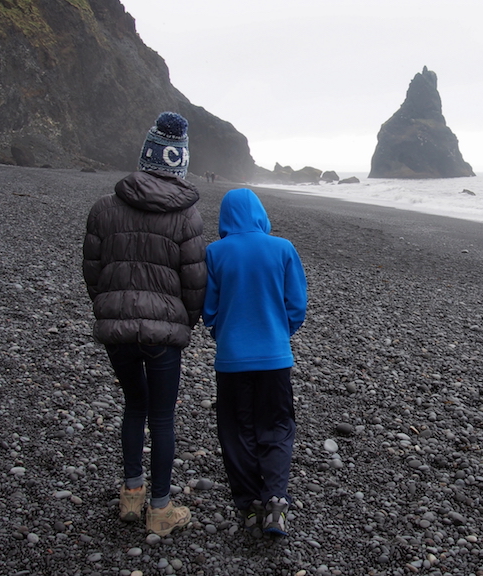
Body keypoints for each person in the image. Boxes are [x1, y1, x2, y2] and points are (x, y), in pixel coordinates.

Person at [82, 111, 206, 537]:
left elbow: (93, 271)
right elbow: (194, 282)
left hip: (117, 329)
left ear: (145, 157)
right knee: (163, 416)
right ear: (180, 163)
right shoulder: (187, 217)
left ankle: (131, 494)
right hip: (164, 335)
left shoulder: (103, 208)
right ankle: (160, 509)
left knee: (134, 406)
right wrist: (182, 324)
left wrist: (108, 307)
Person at [203, 188, 307, 537]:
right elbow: (297, 305)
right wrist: (280, 332)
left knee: (236, 431)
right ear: (260, 213)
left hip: (231, 359)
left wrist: (223, 333)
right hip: (275, 357)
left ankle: (249, 505)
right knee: (277, 426)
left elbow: (210, 310)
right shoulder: (282, 248)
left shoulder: (215, 252)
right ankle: (276, 498)